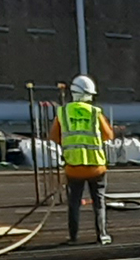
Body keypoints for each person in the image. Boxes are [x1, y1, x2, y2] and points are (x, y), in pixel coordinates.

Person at [50, 74, 114, 245]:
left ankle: (73, 237)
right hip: (96, 166)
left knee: (74, 203)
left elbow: (54, 136)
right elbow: (108, 135)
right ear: (90, 95)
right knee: (99, 202)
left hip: (73, 167)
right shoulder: (94, 112)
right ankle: (102, 235)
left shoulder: (63, 112)